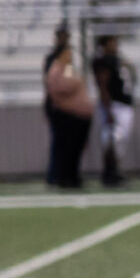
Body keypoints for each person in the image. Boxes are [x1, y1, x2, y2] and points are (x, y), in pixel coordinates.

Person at [42, 25, 95, 190]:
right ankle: (58, 177)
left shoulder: (68, 68)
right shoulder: (56, 65)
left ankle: (70, 176)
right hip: (64, 113)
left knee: (73, 148)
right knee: (63, 146)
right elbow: (60, 86)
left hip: (75, 114)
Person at [91, 34, 136, 187]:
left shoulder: (118, 59)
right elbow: (103, 85)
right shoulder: (103, 62)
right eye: (112, 42)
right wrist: (108, 108)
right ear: (104, 45)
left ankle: (114, 170)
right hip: (113, 105)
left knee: (121, 141)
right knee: (111, 139)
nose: (115, 45)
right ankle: (109, 172)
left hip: (124, 104)